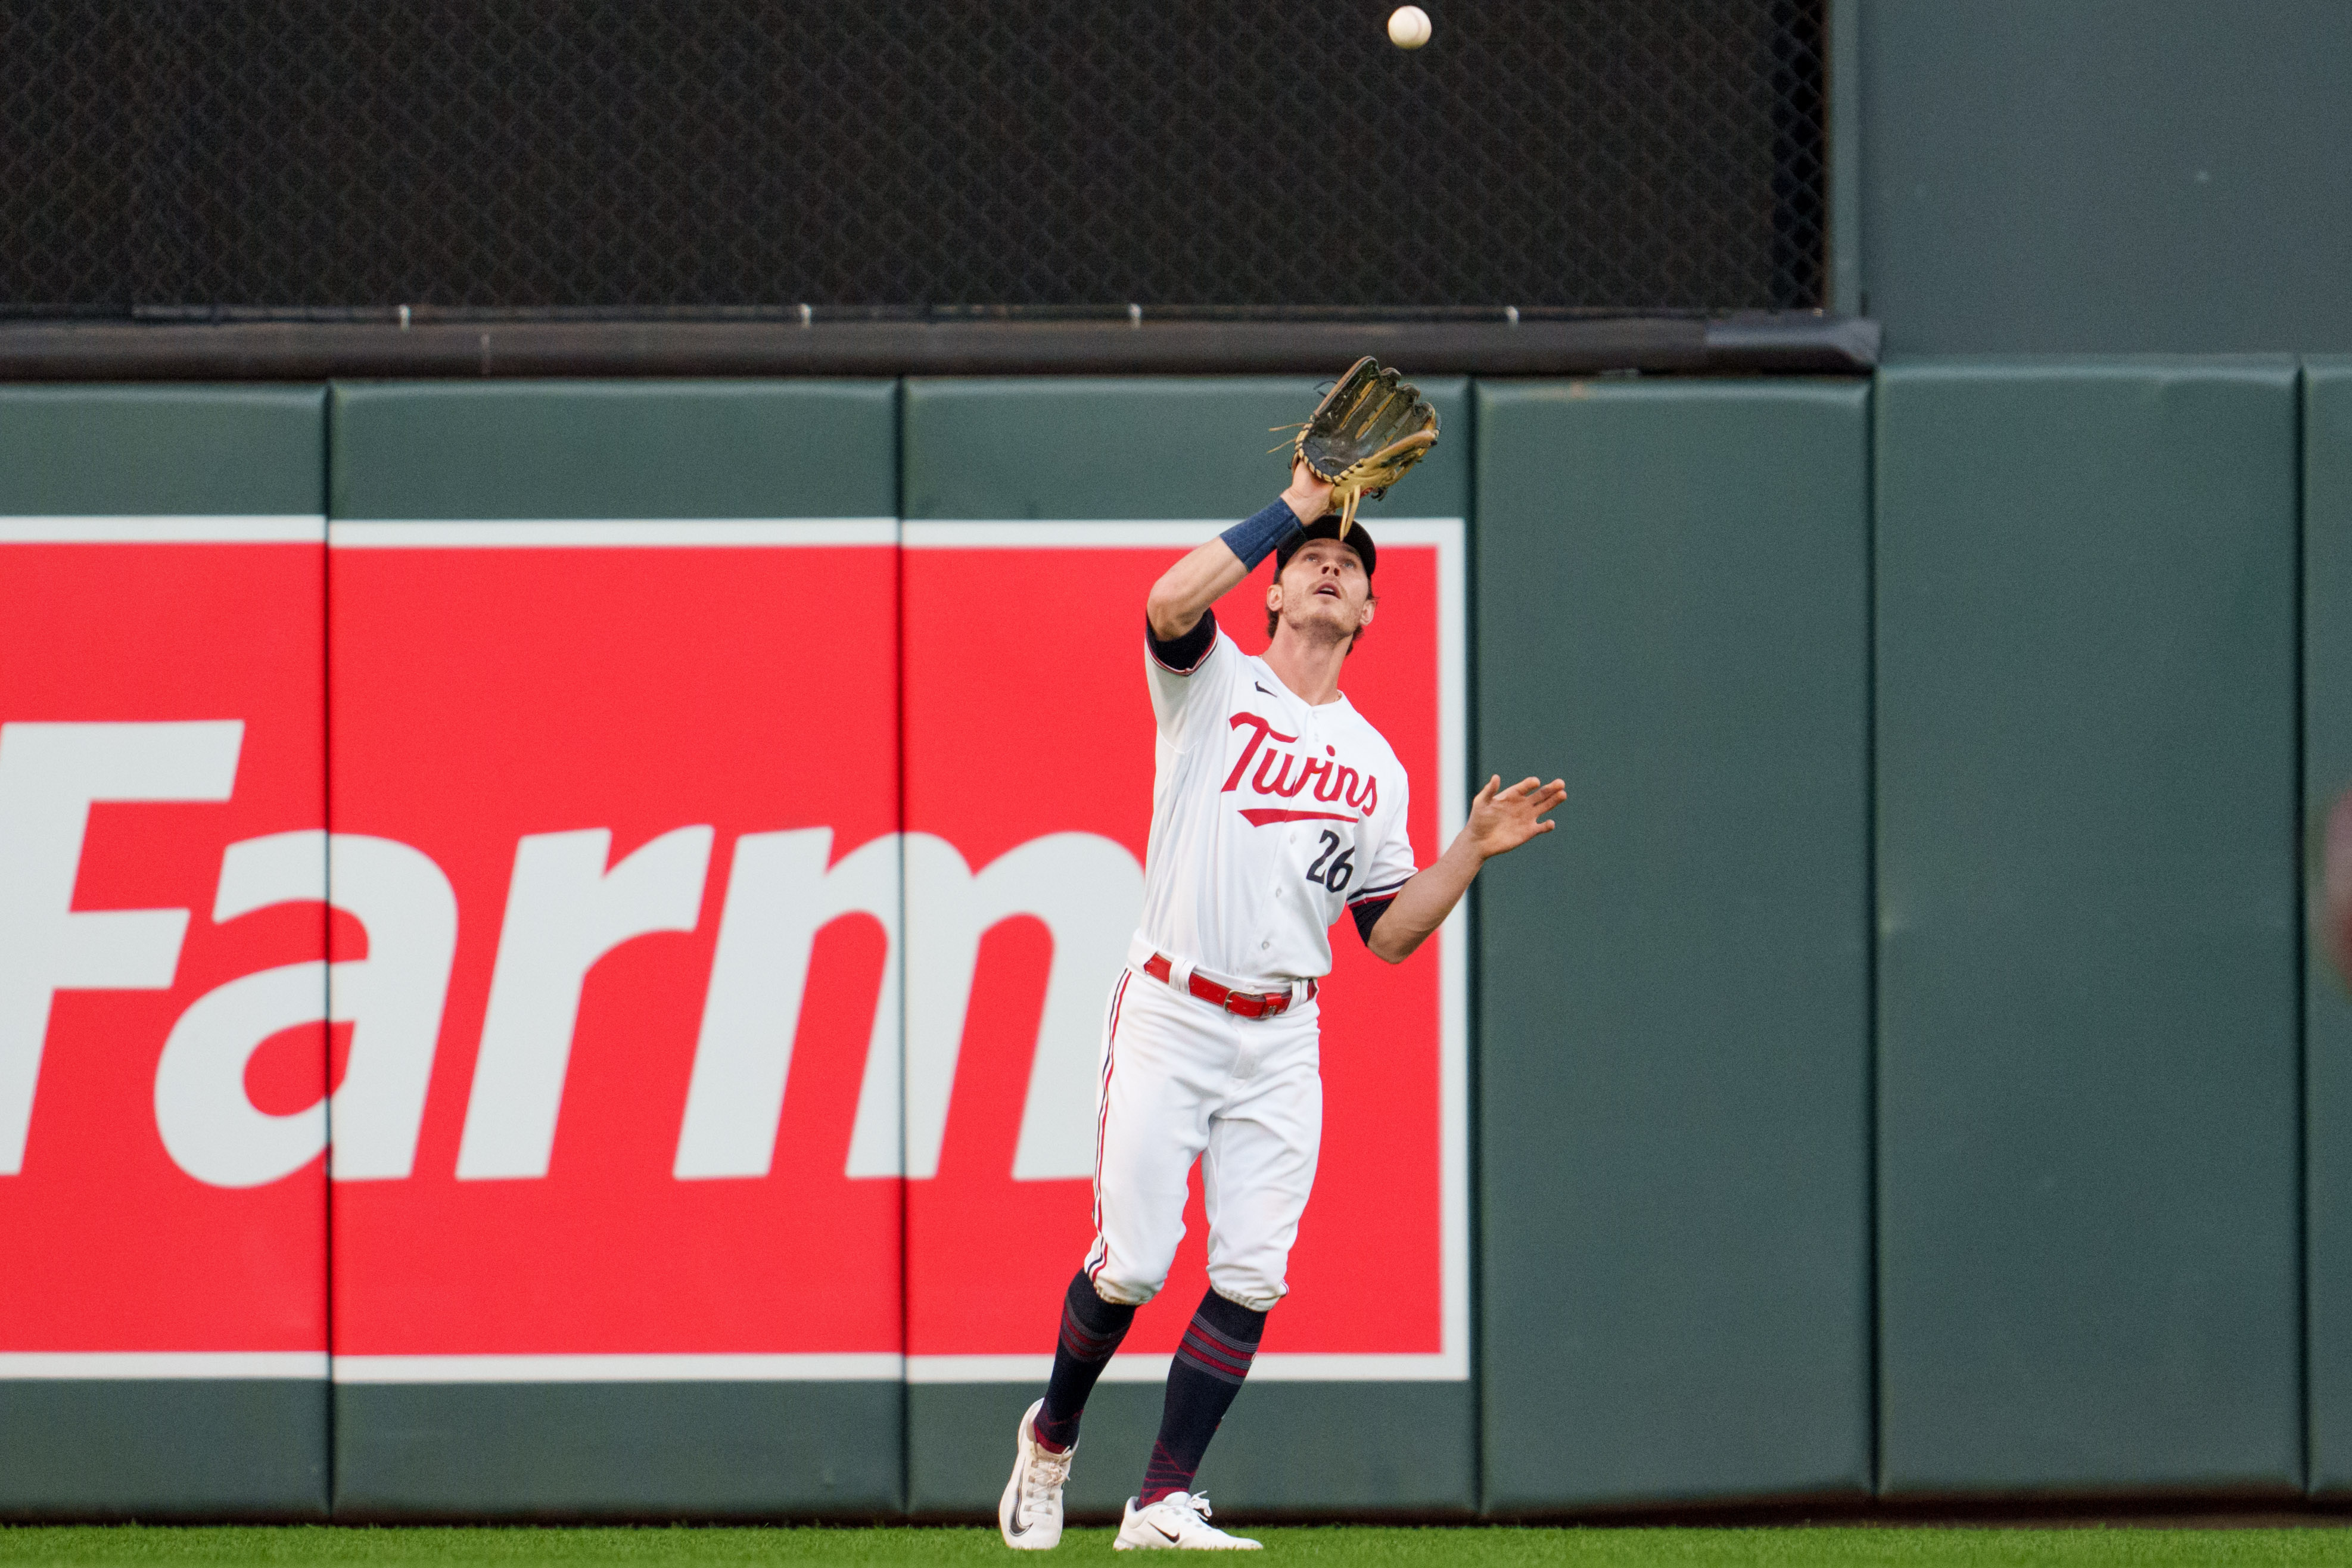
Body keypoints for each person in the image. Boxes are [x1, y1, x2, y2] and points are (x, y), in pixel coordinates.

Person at [1000, 457, 1565, 1551]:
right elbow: (1168, 602)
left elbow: (1390, 935)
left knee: (1253, 1270)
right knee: (1133, 1264)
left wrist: (1468, 853)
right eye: (1311, 560)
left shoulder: (1375, 763)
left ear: (1366, 612)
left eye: (1348, 570)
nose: (1327, 571)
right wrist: (1298, 505)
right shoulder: (1211, 683)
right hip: (1170, 1009)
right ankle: (1054, 1436)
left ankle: (1161, 1500)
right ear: (1269, 588)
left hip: (1281, 1033)